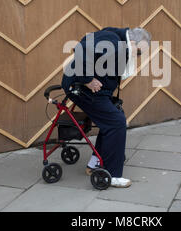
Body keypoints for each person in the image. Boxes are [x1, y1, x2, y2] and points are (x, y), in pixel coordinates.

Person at [61, 27, 151, 188]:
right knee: (116, 122)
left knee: (112, 118)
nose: (137, 56)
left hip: (95, 90)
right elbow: (82, 47)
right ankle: (113, 174)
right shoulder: (114, 42)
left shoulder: (115, 37)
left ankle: (95, 163)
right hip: (82, 87)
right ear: (132, 42)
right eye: (138, 52)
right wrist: (87, 79)